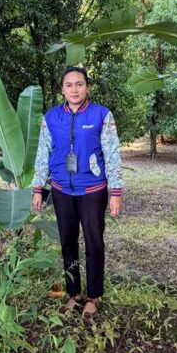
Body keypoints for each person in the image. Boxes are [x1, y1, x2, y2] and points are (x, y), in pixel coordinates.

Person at [31, 66, 123, 316]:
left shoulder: (101, 115)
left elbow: (112, 154)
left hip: (92, 190)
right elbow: (43, 154)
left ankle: (94, 296)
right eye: (69, 85)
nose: (74, 89)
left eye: (79, 84)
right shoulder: (51, 117)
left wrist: (115, 191)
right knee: (67, 242)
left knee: (94, 243)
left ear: (87, 87)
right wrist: (38, 188)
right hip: (62, 190)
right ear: (62, 89)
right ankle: (74, 294)